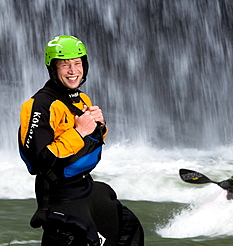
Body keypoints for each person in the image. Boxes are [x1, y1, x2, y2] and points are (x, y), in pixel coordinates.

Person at [18, 35, 144, 246]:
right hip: (60, 197)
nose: (72, 71)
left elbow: (89, 145)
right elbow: (36, 161)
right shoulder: (38, 105)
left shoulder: (82, 99)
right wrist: (78, 131)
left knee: (129, 229)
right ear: (53, 68)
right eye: (64, 64)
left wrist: (100, 127)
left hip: (86, 187)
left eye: (77, 63)